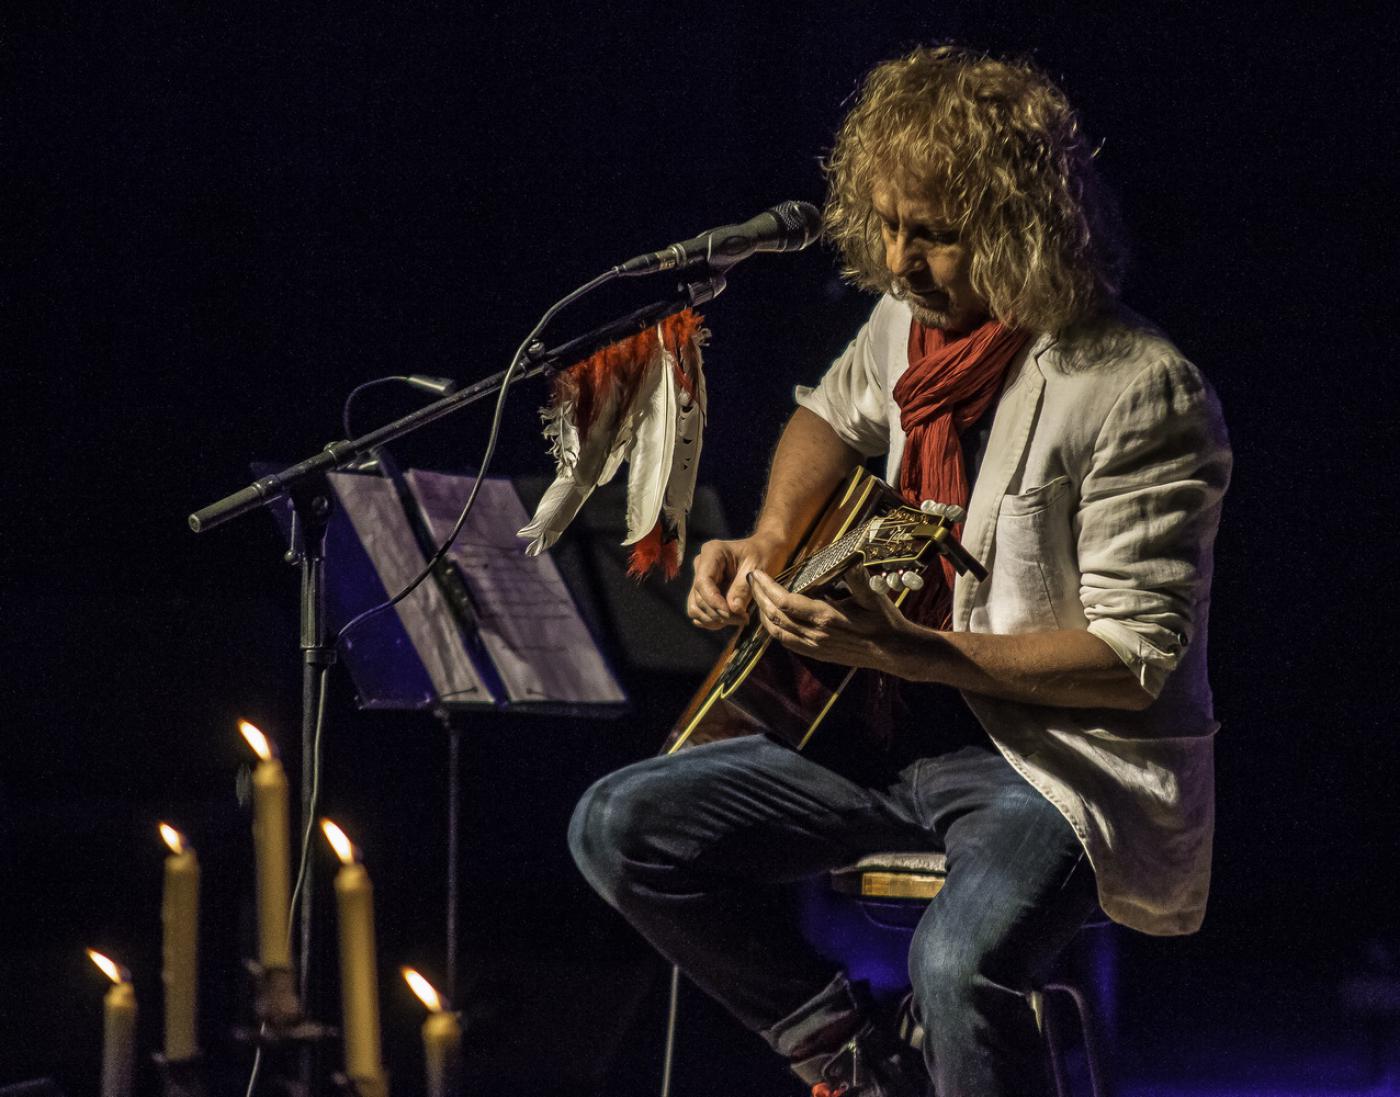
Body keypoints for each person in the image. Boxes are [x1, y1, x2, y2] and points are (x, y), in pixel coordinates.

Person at [570, 44, 1231, 1097]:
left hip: (1047, 764)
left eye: (933, 234)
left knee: (954, 963)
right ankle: (855, 1060)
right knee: (617, 826)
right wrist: (768, 542)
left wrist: (918, 651)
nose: (897, 260)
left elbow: (1131, 661)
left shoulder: (1138, 388)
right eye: (884, 225)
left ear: (1023, 226)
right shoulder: (904, 325)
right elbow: (828, 417)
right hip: (880, 736)